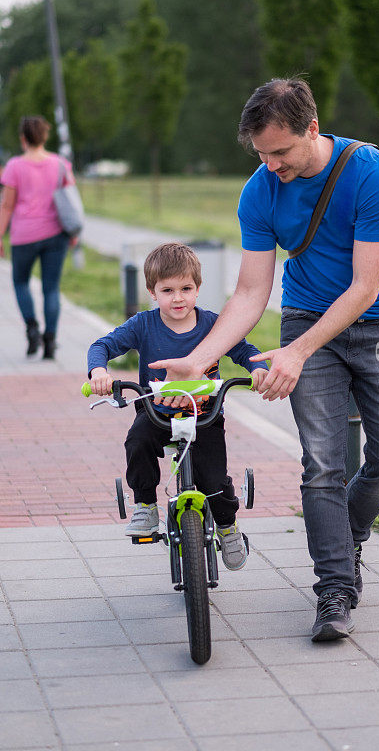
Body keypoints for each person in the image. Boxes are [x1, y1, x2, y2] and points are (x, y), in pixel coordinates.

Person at [149, 79, 379, 639]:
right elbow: (249, 293)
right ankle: (335, 590)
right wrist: (198, 360)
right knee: (322, 464)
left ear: (312, 130)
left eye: (280, 152)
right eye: (261, 154)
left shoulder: (370, 171)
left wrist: (294, 352)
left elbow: (365, 287)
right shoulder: (260, 191)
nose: (270, 166)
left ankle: (347, 535)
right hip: (304, 322)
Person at [87, 242, 269, 570]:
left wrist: (258, 370)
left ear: (198, 288)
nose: (178, 298)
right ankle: (144, 505)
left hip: (205, 415)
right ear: (152, 292)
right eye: (167, 290)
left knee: (213, 479)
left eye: (186, 288)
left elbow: (243, 350)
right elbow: (103, 345)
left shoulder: (214, 323)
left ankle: (228, 527)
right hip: (157, 414)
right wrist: (99, 371)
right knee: (137, 441)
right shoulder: (143, 325)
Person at [0, 115, 77, 360]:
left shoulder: (14, 166)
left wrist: (0, 235)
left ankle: (32, 330)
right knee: (51, 288)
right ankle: (50, 342)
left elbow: (7, 206)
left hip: (23, 236)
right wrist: (75, 233)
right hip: (56, 234)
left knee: (21, 283)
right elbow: (71, 201)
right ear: (44, 137)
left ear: (23, 139)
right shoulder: (61, 164)